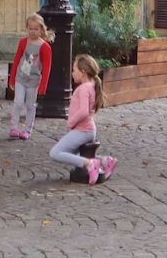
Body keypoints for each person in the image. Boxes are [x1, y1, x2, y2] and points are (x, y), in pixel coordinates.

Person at [47, 53, 117, 184]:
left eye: (74, 70)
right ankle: (104, 161)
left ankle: (90, 164)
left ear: (83, 72)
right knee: (72, 154)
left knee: (55, 153)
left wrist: (71, 123)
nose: (72, 73)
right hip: (89, 130)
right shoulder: (92, 85)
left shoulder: (83, 89)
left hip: (82, 131)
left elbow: (84, 111)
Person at [7, 13, 53, 140]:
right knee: (18, 102)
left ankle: (27, 129)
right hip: (20, 78)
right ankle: (14, 127)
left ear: (41, 29)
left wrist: (43, 86)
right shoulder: (23, 42)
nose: (33, 32)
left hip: (33, 81)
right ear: (27, 28)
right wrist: (12, 78)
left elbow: (47, 68)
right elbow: (17, 60)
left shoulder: (45, 47)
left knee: (30, 105)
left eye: (36, 29)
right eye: (30, 28)